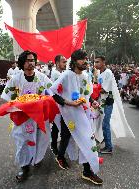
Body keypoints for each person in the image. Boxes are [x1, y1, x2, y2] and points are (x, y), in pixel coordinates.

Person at [50, 49, 103, 185]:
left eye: (86, 59)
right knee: (66, 138)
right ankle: (60, 156)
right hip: (68, 115)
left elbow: (86, 94)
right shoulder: (66, 75)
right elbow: (53, 93)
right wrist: (70, 103)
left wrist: (93, 101)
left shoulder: (85, 76)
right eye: (82, 59)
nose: (85, 61)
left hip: (83, 115)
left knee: (87, 139)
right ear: (73, 61)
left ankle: (87, 171)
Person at [1, 50, 52, 182]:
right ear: (22, 63)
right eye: (28, 60)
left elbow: (52, 91)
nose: (31, 63)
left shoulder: (42, 77)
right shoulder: (15, 79)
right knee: (22, 141)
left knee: (42, 138)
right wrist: (18, 105)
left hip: (39, 115)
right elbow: (7, 96)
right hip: (23, 116)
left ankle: (37, 158)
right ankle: (24, 167)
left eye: (33, 60)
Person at [94, 55, 135, 154]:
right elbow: (99, 87)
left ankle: (109, 147)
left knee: (105, 123)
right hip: (102, 101)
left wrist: (93, 89)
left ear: (104, 62)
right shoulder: (100, 73)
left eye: (98, 62)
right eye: (95, 62)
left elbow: (104, 89)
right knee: (101, 122)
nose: (96, 64)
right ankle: (102, 139)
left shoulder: (108, 72)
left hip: (108, 100)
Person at [50, 55, 67, 156]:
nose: (65, 64)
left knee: (60, 125)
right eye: (63, 62)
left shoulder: (62, 72)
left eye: (65, 62)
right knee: (56, 125)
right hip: (58, 103)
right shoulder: (56, 73)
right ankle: (54, 145)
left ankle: (58, 145)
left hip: (63, 102)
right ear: (57, 63)